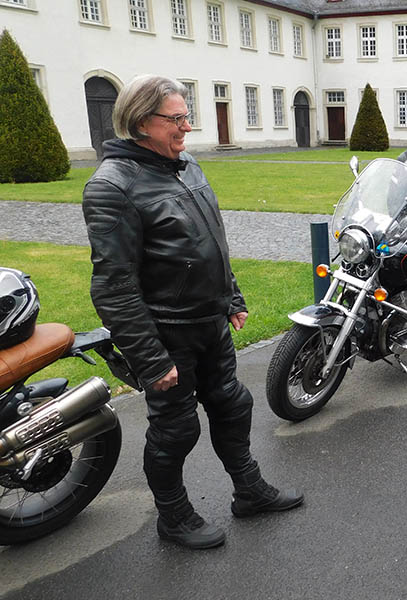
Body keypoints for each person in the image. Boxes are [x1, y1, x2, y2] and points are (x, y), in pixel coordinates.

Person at [82, 75, 303, 550]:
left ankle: (249, 490)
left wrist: (233, 296)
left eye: (186, 115)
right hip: (167, 333)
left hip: (209, 323)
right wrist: (150, 359)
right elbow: (113, 286)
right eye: (176, 118)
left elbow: (211, 243)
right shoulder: (112, 187)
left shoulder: (187, 166)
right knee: (175, 427)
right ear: (141, 121)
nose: (186, 126)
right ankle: (173, 516)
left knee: (233, 404)